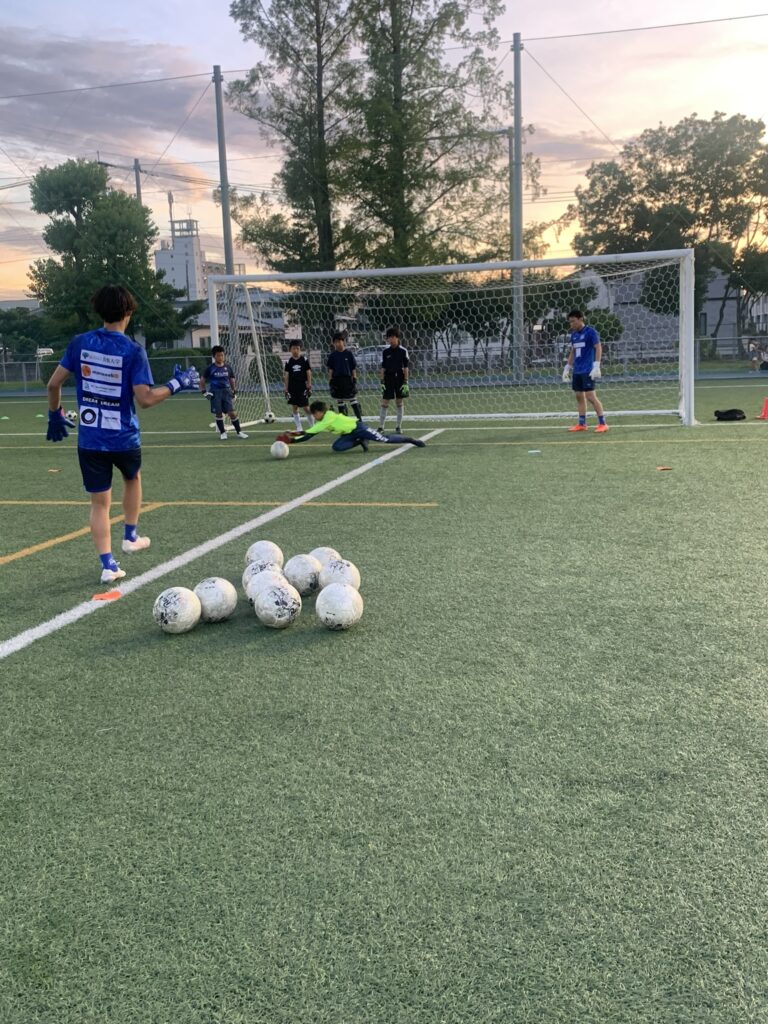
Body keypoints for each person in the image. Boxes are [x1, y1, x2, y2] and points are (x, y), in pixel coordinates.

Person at [45, 284, 200, 583]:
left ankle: (108, 565)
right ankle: (130, 536)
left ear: (99, 311)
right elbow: (145, 399)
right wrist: (176, 384)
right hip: (124, 437)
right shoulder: (132, 350)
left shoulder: (80, 343)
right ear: (128, 312)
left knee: (99, 503)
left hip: (91, 439)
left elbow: (53, 384)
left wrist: (55, 414)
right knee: (132, 478)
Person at [276, 400, 426, 453]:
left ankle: (411, 440)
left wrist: (291, 440)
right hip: (349, 434)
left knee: (384, 439)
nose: (313, 416)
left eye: (314, 414)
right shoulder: (323, 421)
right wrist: (293, 434)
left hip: (358, 428)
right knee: (337, 447)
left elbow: (308, 435)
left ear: (320, 412)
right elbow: (309, 432)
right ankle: (360, 441)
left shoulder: (327, 418)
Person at [562, 309, 608, 433]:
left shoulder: (590, 332)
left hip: (588, 370)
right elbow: (573, 351)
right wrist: (567, 367)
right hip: (577, 370)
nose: (571, 324)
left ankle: (603, 423)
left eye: (573, 321)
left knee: (590, 396)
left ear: (581, 319)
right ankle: (582, 424)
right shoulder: (574, 335)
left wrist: (596, 365)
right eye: (570, 322)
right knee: (579, 396)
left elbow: (598, 347)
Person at [201, 345, 248, 439]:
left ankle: (239, 432)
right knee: (218, 413)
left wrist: (234, 391)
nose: (221, 357)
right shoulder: (210, 368)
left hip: (226, 392)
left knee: (232, 413)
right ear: (214, 356)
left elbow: (232, 379)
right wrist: (204, 392)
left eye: (222, 355)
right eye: (218, 355)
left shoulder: (228, 367)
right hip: (215, 393)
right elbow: (202, 380)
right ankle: (222, 433)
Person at [378, 326, 410, 432]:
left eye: (392, 337)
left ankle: (398, 426)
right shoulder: (385, 352)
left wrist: (406, 382)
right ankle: (381, 426)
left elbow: (406, 367)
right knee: (384, 403)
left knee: (399, 402)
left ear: (397, 338)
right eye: (389, 337)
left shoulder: (403, 351)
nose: (390, 339)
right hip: (388, 379)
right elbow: (383, 368)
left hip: (400, 379)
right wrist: (382, 381)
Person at [326, 331, 362, 420]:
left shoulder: (349, 354)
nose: (337, 344)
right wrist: (330, 381)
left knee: (353, 399)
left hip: (347, 380)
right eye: (335, 342)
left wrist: (354, 379)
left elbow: (353, 368)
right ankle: (344, 421)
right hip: (337, 380)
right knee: (340, 401)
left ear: (343, 342)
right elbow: (330, 370)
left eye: (339, 341)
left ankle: (360, 420)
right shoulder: (333, 355)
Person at [283, 340, 313, 431]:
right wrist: (286, 388)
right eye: (293, 348)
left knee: (306, 407)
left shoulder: (304, 360)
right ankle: (299, 427)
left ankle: (312, 426)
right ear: (290, 350)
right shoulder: (288, 362)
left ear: (300, 350)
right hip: (292, 387)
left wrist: (309, 384)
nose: (295, 350)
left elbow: (308, 372)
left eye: (297, 348)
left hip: (303, 386)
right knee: (295, 407)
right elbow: (286, 375)